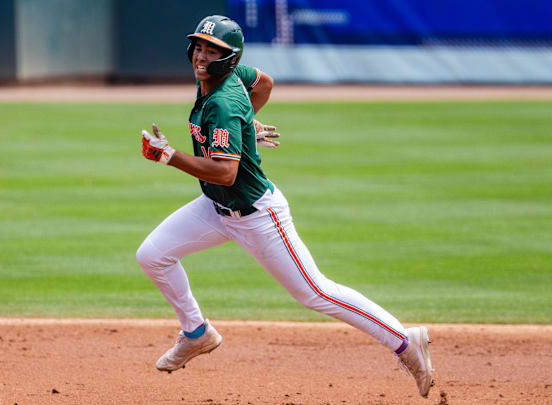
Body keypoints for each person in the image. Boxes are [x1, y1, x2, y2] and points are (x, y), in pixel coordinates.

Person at [136, 15, 434, 398]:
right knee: (153, 255)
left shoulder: (223, 102)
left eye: (212, 50)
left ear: (227, 58)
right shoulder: (222, 77)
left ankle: (406, 342)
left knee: (315, 292)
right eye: (198, 46)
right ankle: (197, 333)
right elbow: (264, 83)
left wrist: (169, 156)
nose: (201, 55)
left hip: (257, 214)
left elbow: (225, 173)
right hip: (215, 207)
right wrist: (249, 124)